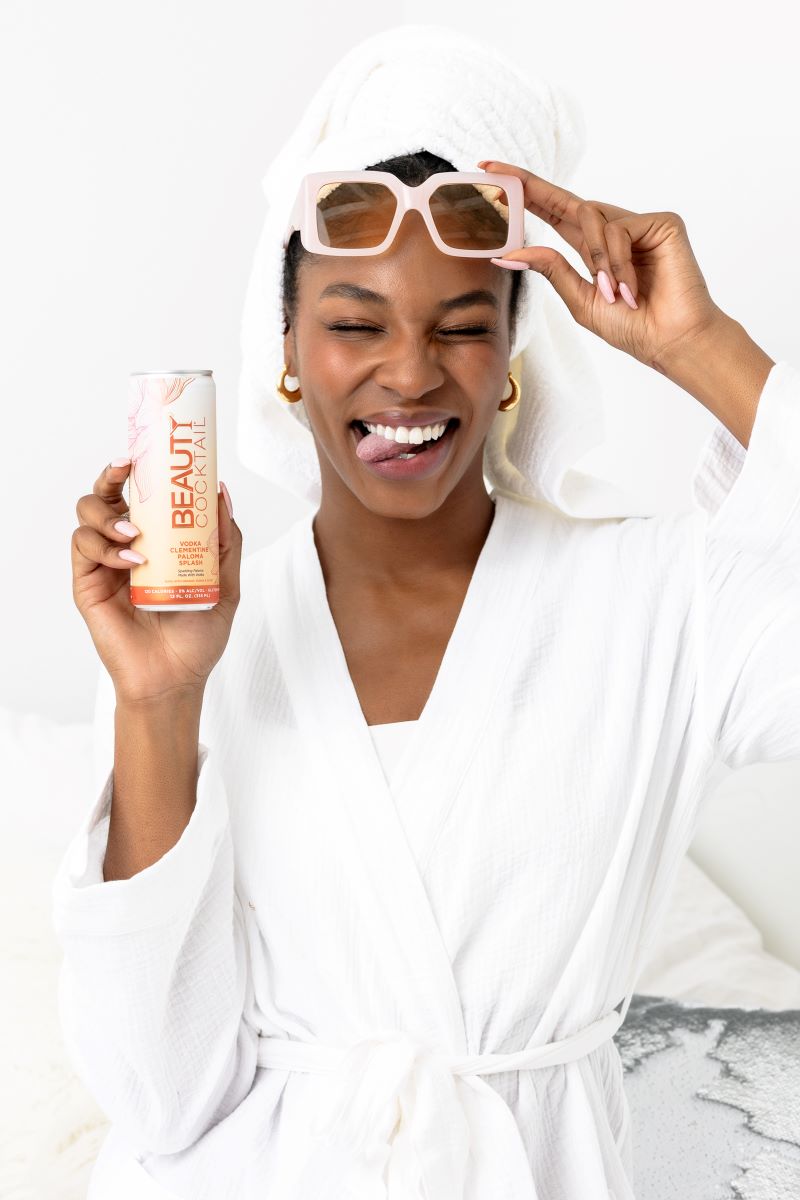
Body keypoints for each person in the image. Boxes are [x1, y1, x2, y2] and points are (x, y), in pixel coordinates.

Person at [55, 28, 800, 1200]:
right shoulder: (206, 635)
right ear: (287, 350)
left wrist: (700, 346)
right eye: (354, 323)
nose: (408, 374)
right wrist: (157, 697)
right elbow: (157, 1096)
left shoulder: (656, 605)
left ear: (511, 354)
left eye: (460, 324)